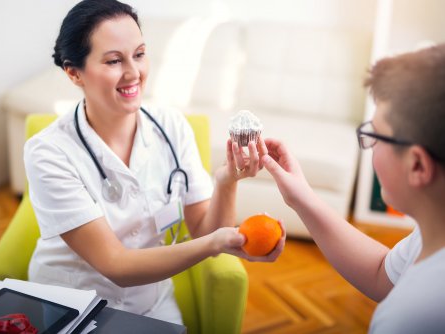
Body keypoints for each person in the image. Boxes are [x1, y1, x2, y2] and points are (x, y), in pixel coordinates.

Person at [24, 0, 285, 325]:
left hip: (151, 302)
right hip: (75, 305)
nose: (134, 73)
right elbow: (116, 265)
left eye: (139, 54)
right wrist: (213, 244)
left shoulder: (171, 126)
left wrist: (226, 181)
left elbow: (205, 228)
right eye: (114, 60)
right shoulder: (48, 152)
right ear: (74, 72)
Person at [261, 43, 445, 333]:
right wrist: (302, 197)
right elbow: (382, 274)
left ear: (418, 165)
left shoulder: (408, 317)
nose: (370, 148)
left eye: (376, 135)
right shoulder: (432, 234)